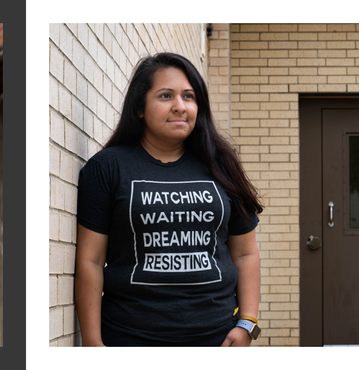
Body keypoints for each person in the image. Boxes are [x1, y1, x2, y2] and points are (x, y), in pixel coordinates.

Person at [74, 53, 263, 347]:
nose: (180, 106)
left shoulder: (221, 164)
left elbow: (245, 254)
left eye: (189, 97)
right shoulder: (107, 168)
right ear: (139, 107)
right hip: (130, 339)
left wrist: (247, 323)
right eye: (166, 95)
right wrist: (93, 344)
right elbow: (91, 260)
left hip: (217, 339)